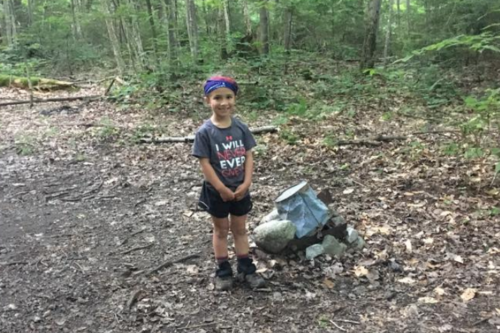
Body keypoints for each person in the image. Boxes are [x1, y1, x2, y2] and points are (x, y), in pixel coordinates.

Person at [192, 75, 266, 291]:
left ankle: (245, 267)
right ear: (208, 100)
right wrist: (221, 188)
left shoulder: (241, 128)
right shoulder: (205, 132)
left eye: (229, 97)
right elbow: (204, 163)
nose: (224, 102)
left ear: (235, 98)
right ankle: (223, 270)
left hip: (240, 187)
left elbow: (249, 155)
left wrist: (247, 182)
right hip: (217, 191)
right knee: (221, 229)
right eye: (217, 98)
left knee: (240, 229)